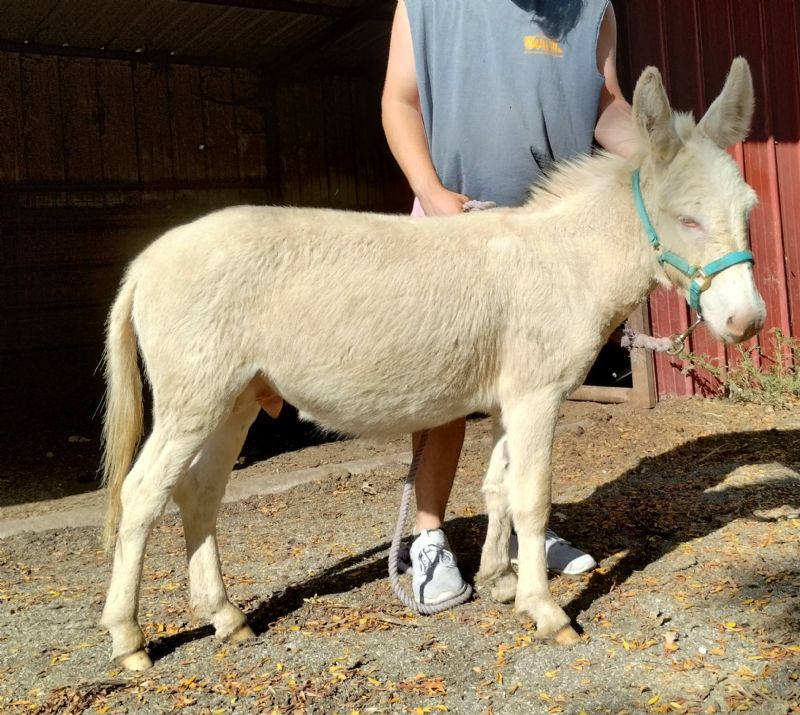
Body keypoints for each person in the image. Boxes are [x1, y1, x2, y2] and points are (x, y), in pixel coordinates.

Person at [381, 0, 638, 605]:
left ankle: (522, 532)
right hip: (455, 221)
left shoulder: (592, 9)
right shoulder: (424, 6)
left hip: (548, 232)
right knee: (442, 391)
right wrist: (431, 192)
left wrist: (663, 147)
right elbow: (399, 101)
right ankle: (428, 537)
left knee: (532, 394)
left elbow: (607, 105)